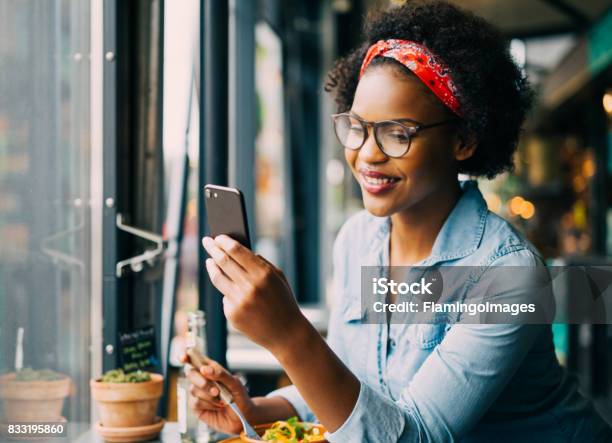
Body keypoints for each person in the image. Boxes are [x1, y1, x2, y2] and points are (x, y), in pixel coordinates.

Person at [184, 2, 612, 441]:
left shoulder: (506, 277)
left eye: (397, 133)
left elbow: (414, 435)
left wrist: (290, 335)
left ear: (462, 141)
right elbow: (359, 390)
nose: (368, 154)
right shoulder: (356, 239)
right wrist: (252, 409)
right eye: (357, 127)